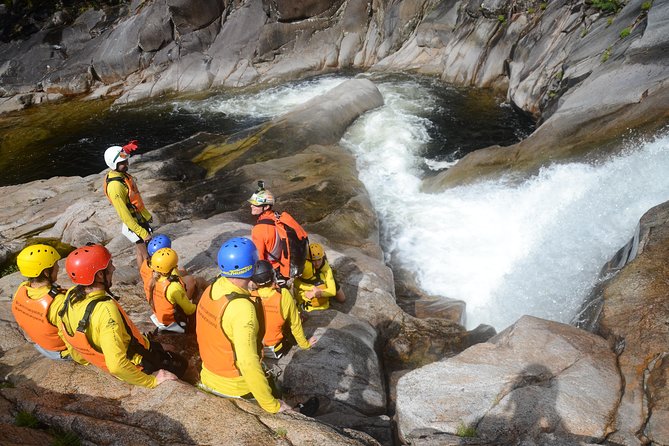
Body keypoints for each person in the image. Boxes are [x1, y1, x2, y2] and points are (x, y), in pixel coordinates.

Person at [58, 244, 186, 388]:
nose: (113, 268)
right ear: (100, 275)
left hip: (119, 351)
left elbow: (63, 331)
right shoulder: (106, 310)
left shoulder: (71, 295)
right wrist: (151, 381)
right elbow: (116, 366)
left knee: (167, 347)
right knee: (182, 364)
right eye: (110, 265)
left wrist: (84, 359)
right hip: (138, 363)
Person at [196, 237, 289, 413]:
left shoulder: (213, 288)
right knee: (277, 394)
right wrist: (272, 405)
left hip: (208, 374)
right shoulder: (242, 309)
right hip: (235, 386)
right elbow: (247, 362)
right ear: (252, 267)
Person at [11, 244, 69, 360]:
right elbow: (72, 337)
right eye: (56, 265)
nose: (59, 268)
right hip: (60, 352)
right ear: (47, 272)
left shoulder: (22, 289)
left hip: (40, 345)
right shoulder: (58, 302)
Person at [250, 260, 316, 359]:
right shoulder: (282, 294)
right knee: (293, 316)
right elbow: (295, 324)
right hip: (275, 350)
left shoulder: (249, 295)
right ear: (273, 276)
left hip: (255, 349)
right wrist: (306, 345)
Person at [248, 181, 309, 284]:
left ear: (266, 207)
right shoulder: (280, 217)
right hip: (284, 267)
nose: (251, 206)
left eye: (256, 204)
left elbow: (260, 261)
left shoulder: (258, 230)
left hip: (272, 270)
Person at [103, 140, 152, 267]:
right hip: (134, 223)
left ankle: (144, 278)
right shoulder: (115, 186)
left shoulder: (122, 175)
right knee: (147, 255)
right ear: (113, 164)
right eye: (122, 163)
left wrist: (146, 215)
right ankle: (149, 280)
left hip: (138, 218)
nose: (127, 164)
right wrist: (143, 233)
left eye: (125, 161)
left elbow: (135, 198)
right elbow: (124, 214)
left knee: (140, 251)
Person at [143, 247, 197, 333]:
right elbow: (189, 310)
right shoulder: (173, 287)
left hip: (160, 319)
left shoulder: (152, 280)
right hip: (174, 324)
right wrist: (198, 305)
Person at [294, 243, 346, 312]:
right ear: (308, 260)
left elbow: (332, 292)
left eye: (319, 260)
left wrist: (317, 293)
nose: (317, 263)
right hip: (309, 281)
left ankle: (328, 288)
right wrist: (312, 288)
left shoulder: (325, 266)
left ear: (322, 258)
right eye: (314, 261)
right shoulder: (305, 266)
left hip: (324, 275)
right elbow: (295, 282)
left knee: (342, 299)